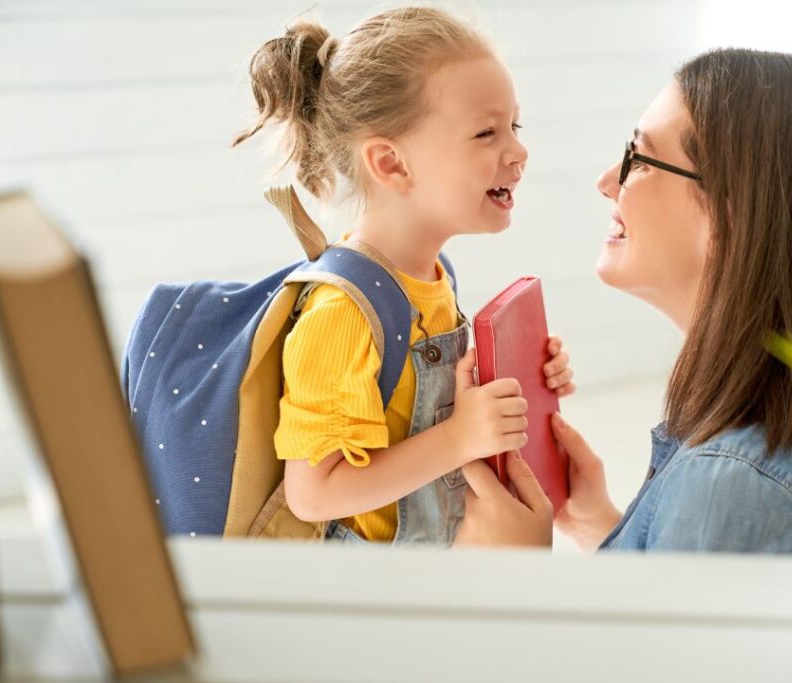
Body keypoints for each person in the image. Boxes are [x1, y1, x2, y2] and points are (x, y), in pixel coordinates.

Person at [454, 48, 792, 554]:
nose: (607, 183)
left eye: (638, 160)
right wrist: (596, 522)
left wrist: (512, 565)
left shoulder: (735, 487)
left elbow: (638, 638)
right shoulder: (762, 450)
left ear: (731, 216)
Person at [233, 7, 575, 545]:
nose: (518, 150)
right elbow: (314, 493)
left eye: (514, 126)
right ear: (391, 164)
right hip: (374, 597)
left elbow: (412, 411)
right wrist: (460, 436)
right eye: (486, 132)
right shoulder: (341, 313)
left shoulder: (435, 277)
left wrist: (517, 379)